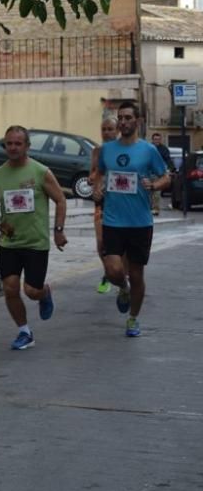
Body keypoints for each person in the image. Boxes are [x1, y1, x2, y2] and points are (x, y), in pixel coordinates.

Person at [0, 125, 69, 350]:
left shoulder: (41, 172)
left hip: (36, 243)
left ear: (27, 146)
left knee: (31, 291)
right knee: (10, 288)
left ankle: (44, 292)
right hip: (9, 242)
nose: (13, 147)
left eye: (18, 143)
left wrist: (58, 231)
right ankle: (24, 331)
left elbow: (61, 199)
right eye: (9, 143)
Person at [93, 101, 170, 337]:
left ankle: (133, 318)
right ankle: (122, 288)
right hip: (113, 221)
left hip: (140, 222)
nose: (124, 122)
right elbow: (100, 175)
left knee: (137, 274)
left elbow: (166, 177)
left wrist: (154, 185)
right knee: (114, 269)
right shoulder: (107, 150)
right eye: (121, 118)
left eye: (128, 118)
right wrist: (97, 189)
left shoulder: (148, 150)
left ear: (137, 121)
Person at [91, 117, 119, 293]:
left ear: (117, 131)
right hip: (101, 202)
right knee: (101, 244)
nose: (107, 132)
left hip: (120, 202)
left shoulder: (123, 150)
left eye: (110, 129)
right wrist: (94, 184)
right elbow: (93, 174)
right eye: (104, 129)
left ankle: (119, 273)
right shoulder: (97, 151)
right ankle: (108, 272)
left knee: (121, 245)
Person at [148, 132, 175, 216]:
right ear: (152, 140)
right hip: (148, 173)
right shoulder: (148, 148)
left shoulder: (164, 149)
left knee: (157, 192)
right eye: (155, 139)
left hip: (158, 174)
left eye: (158, 139)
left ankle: (156, 209)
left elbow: (168, 159)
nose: (157, 141)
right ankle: (149, 208)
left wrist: (171, 168)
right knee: (148, 192)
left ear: (160, 140)